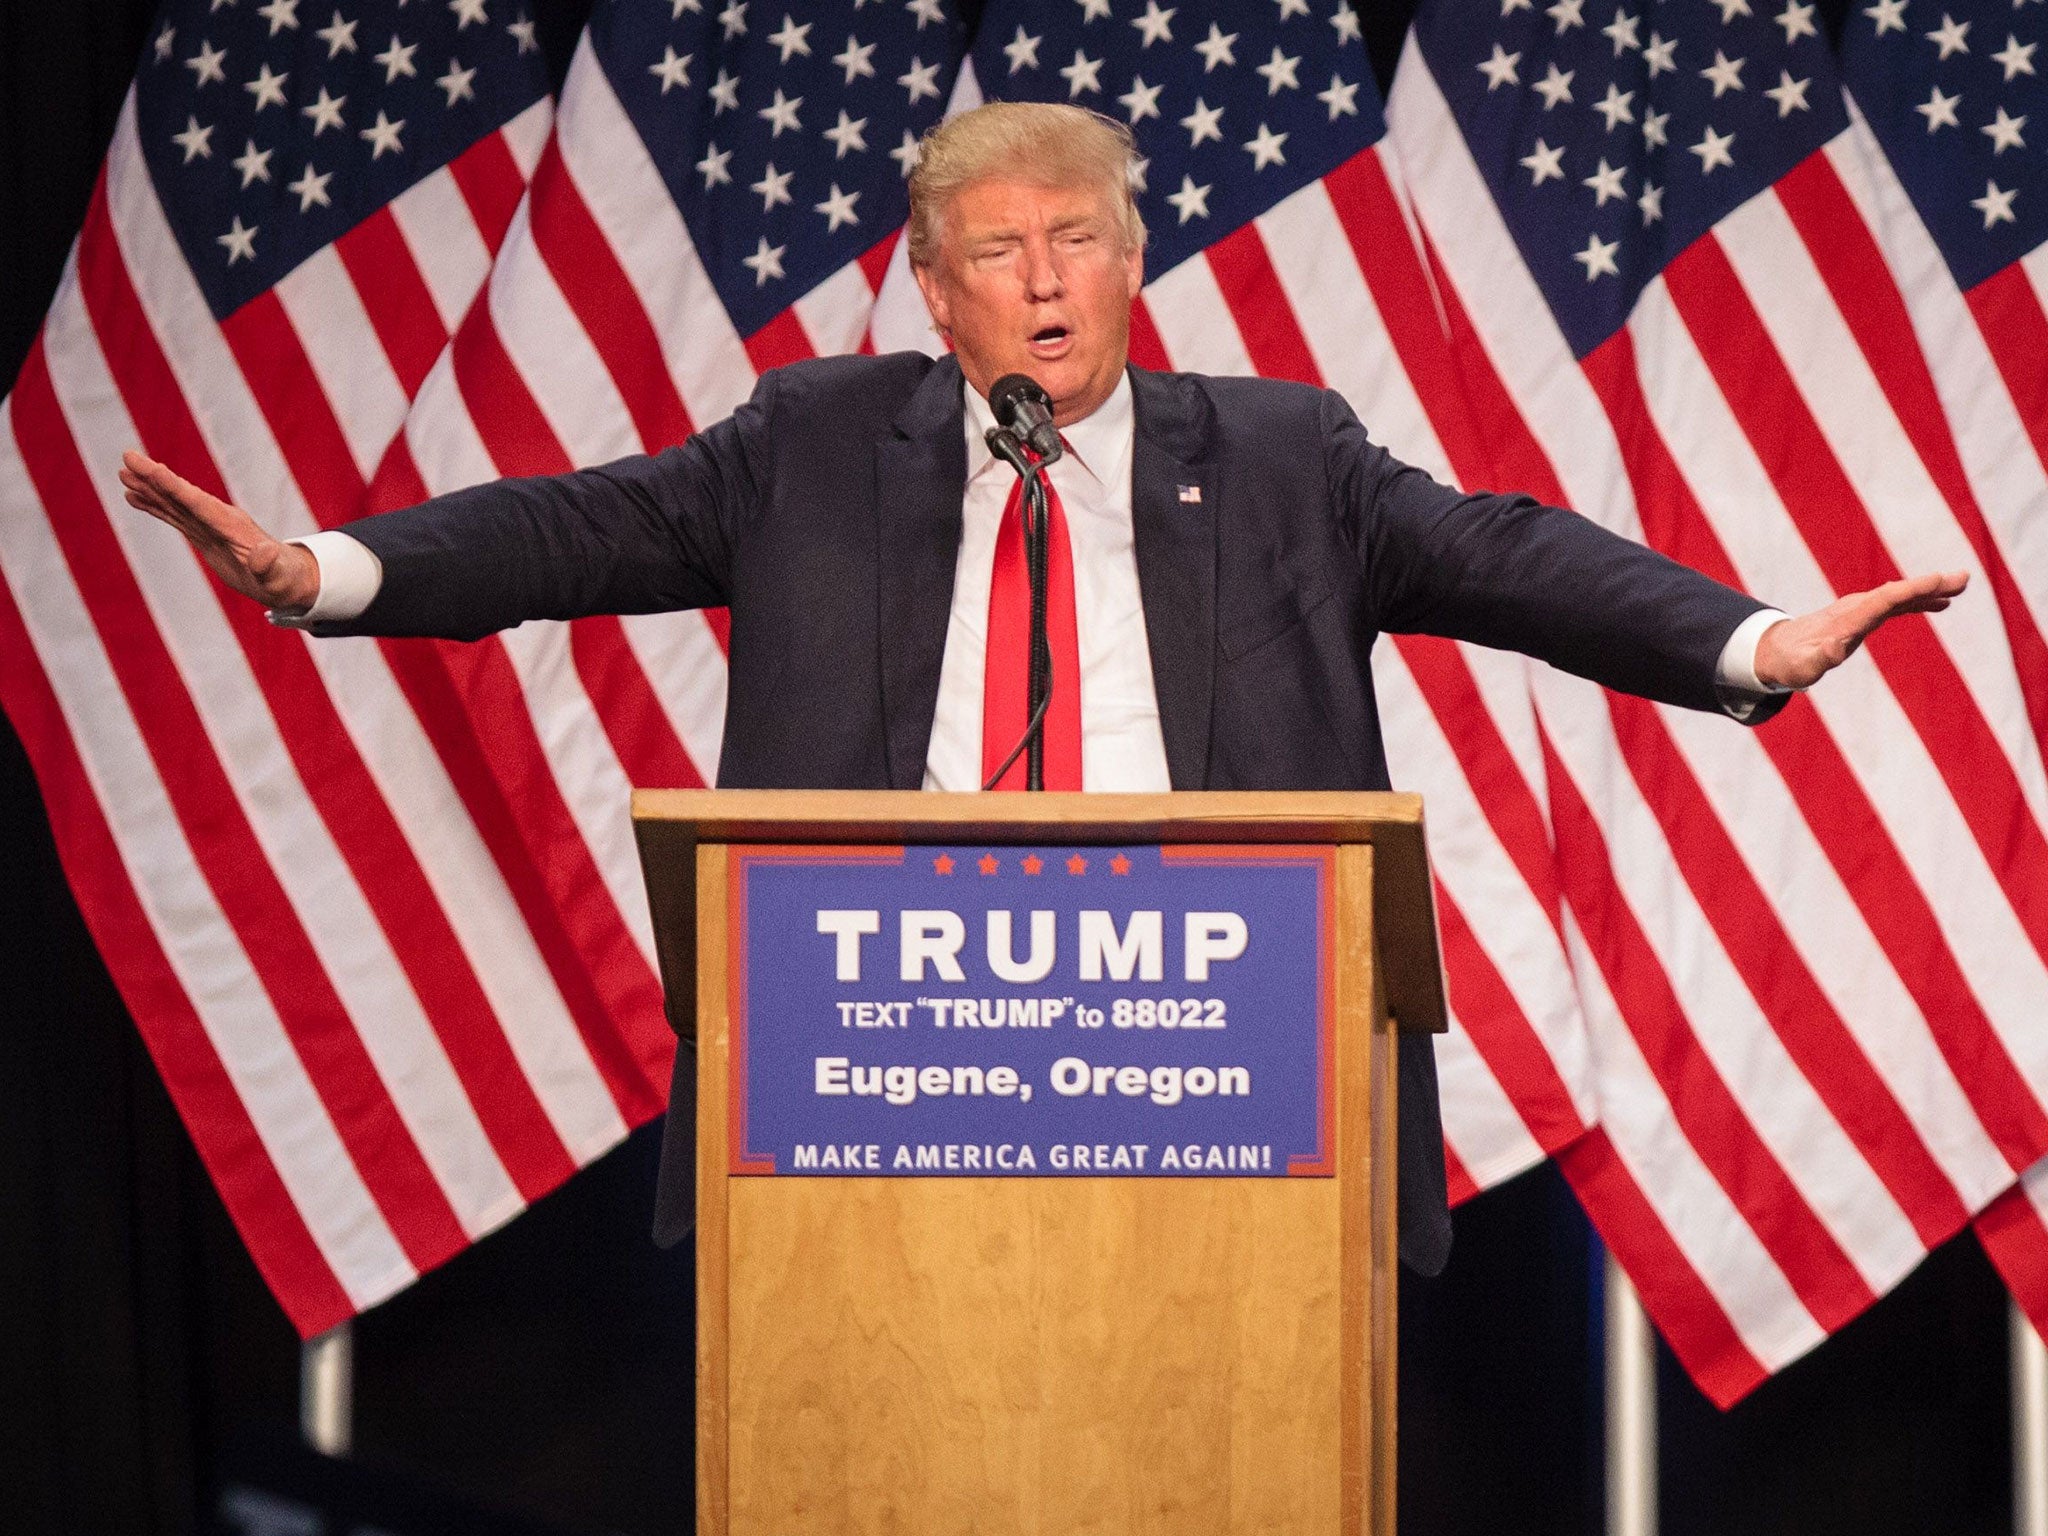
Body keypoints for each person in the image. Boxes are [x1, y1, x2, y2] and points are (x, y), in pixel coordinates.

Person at [118, 102, 1966, 1274]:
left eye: (1079, 238)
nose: (1047, 278)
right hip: (868, 1074)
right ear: (937, 295)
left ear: (1136, 263)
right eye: (1000, 251)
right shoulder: (813, 444)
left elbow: (1503, 551)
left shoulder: (1282, 452)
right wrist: (332, 571)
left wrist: (1744, 638)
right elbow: (574, 534)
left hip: (1226, 1081)